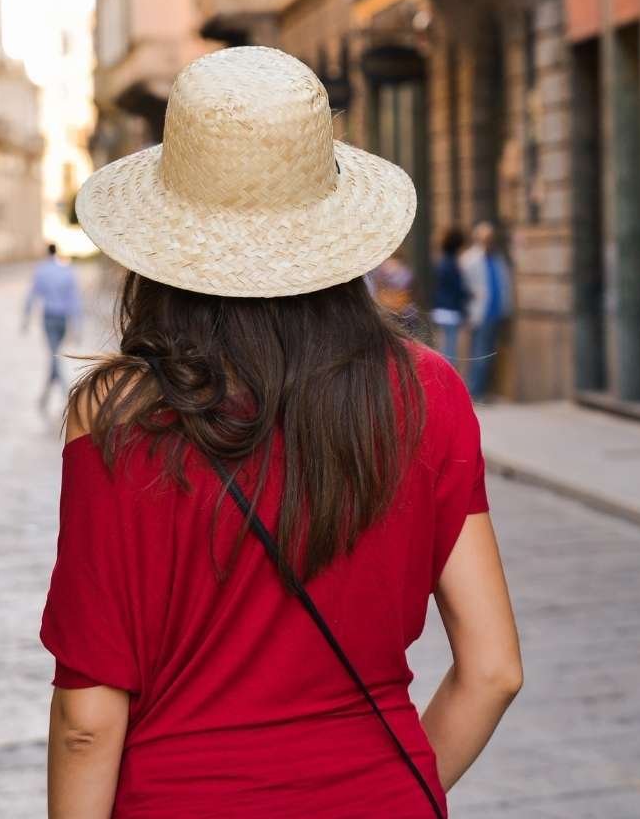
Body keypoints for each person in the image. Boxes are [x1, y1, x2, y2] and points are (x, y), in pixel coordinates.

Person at [41, 48, 521, 819]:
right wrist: (399, 790)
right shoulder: (428, 389)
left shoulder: (118, 413)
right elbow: (493, 669)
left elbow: (87, 723)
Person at [23, 244, 82, 410]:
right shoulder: (66, 271)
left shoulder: (41, 270)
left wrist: (26, 319)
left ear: (46, 252)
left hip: (48, 318)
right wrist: (77, 327)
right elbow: (75, 300)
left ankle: (64, 394)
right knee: (54, 354)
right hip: (63, 319)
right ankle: (47, 396)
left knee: (54, 355)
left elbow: (32, 295)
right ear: (56, 252)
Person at [460, 221, 513, 401]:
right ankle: (475, 392)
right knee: (479, 355)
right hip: (480, 314)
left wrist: (507, 308)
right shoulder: (470, 259)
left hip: (497, 313)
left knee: (489, 354)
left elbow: (504, 284)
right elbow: (463, 286)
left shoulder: (497, 259)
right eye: (485, 238)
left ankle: (482, 390)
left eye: (491, 238)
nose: (489, 241)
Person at [432, 228, 469, 366]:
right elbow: (457, 288)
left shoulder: (442, 262)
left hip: (441, 309)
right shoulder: (452, 264)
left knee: (443, 348)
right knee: (451, 351)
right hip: (452, 310)